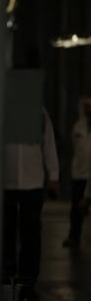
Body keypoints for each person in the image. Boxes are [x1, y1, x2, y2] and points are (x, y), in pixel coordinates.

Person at [0, 107, 60, 291]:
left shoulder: (39, 112)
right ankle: (6, 277)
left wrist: (54, 176)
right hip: (4, 182)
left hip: (33, 182)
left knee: (30, 232)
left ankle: (28, 279)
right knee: (6, 231)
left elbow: (48, 144)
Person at [65, 95, 91, 248]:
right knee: (76, 207)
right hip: (80, 173)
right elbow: (75, 146)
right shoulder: (78, 126)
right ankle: (74, 236)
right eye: (86, 106)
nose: (88, 109)